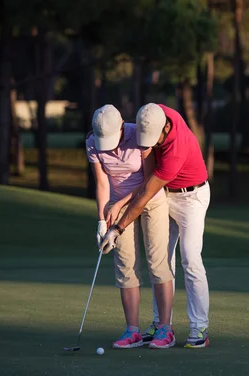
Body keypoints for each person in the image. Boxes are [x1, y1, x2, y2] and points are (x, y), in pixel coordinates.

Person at [101, 103, 211, 349]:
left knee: (190, 258)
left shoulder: (175, 149)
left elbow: (144, 196)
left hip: (191, 198)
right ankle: (161, 324)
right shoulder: (153, 113)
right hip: (166, 194)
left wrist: (117, 228)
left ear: (166, 128)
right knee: (160, 260)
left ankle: (199, 327)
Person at [86, 104, 175, 349]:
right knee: (125, 265)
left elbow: (149, 180)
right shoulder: (93, 143)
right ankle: (132, 331)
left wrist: (120, 205)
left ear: (123, 126)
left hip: (150, 201)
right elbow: (102, 184)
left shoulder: (139, 135)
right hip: (117, 205)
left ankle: (165, 328)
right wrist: (102, 222)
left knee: (157, 262)